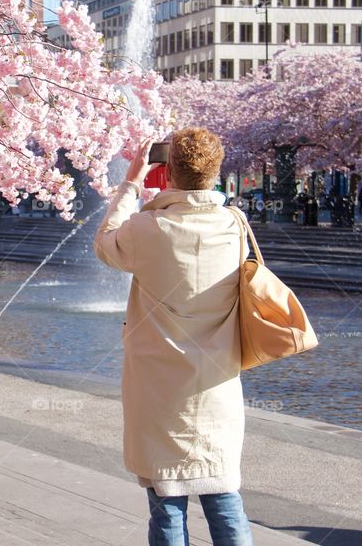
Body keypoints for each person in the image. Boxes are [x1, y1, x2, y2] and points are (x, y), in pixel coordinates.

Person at [94, 128, 253, 546]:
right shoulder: (234, 225)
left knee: (166, 501)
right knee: (223, 494)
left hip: (158, 386)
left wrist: (131, 182)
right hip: (216, 380)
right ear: (216, 172)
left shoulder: (149, 228)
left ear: (166, 172)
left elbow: (104, 245)